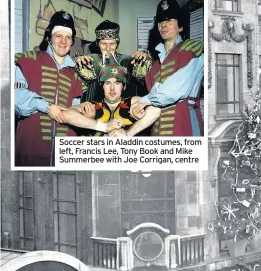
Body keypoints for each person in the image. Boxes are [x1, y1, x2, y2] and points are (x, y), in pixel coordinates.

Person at [14, 10, 84, 167]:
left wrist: (83, 111)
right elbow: (17, 98)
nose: (63, 41)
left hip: (65, 153)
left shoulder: (76, 73)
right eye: (58, 35)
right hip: (30, 150)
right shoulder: (27, 60)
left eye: (68, 37)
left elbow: (74, 108)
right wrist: (47, 107)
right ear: (49, 37)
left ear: (72, 41)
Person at [130, 0, 204, 137]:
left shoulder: (192, 49)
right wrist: (142, 67)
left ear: (180, 27)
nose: (163, 25)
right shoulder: (156, 63)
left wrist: (142, 102)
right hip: (158, 126)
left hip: (184, 121)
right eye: (160, 21)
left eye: (169, 20)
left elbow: (173, 91)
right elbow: (150, 91)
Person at [61, 64, 160, 137]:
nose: (112, 89)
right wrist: (100, 125)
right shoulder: (91, 107)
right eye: (108, 83)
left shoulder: (132, 103)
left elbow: (156, 108)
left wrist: (127, 134)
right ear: (102, 87)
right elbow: (66, 114)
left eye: (117, 83)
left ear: (124, 87)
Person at [75, 20, 150, 101]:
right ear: (98, 44)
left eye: (112, 44)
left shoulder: (128, 61)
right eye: (104, 44)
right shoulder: (90, 60)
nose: (108, 48)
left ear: (117, 44)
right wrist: (78, 63)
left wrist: (145, 61)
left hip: (123, 110)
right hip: (93, 110)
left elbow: (144, 82)